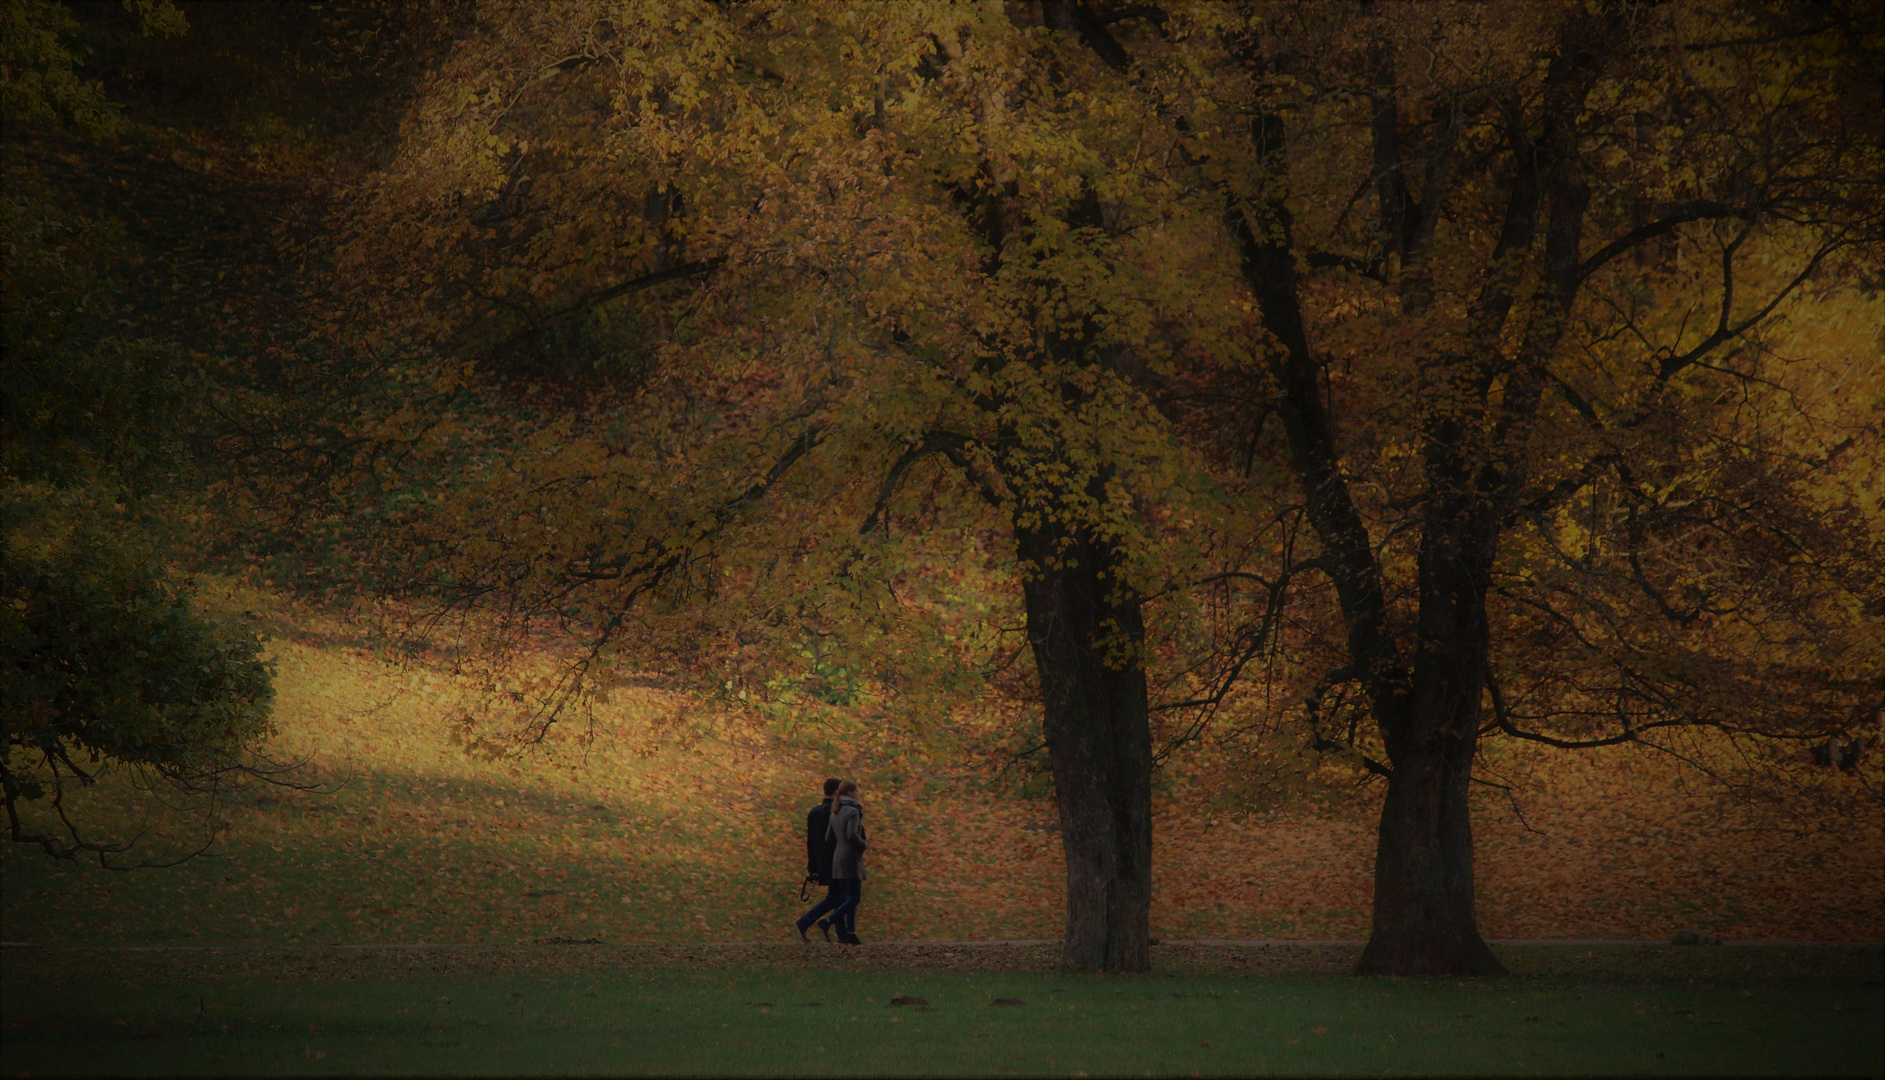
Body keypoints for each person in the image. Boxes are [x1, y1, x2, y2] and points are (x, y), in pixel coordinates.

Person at [794, 778, 842, 942]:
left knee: (838, 895)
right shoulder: (837, 812)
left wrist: (812, 865)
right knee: (838, 896)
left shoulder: (814, 812)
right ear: (836, 792)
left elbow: (811, 841)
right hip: (837, 861)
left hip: (822, 862)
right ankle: (807, 922)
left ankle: (836, 930)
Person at [825, 779, 867, 945]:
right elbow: (852, 835)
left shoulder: (835, 811)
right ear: (850, 793)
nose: (858, 794)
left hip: (838, 858)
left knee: (848, 898)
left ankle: (850, 932)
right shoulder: (853, 811)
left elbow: (828, 837)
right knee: (854, 898)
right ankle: (828, 921)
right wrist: (863, 844)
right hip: (850, 858)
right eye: (856, 791)